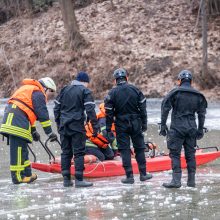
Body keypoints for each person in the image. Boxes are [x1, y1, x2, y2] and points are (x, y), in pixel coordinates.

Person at [0, 77, 58, 184]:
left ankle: (27, 174)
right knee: (17, 150)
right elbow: (43, 115)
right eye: (51, 91)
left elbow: (27, 111)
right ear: (45, 88)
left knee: (23, 149)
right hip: (16, 121)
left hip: (15, 119)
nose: (50, 95)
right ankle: (17, 177)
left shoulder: (30, 89)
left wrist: (33, 130)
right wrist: (49, 132)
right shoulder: (38, 92)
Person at [160, 70, 207, 188]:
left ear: (180, 81)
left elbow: (165, 108)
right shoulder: (198, 95)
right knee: (190, 155)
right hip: (191, 128)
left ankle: (176, 181)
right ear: (191, 81)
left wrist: (163, 125)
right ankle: (191, 182)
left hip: (177, 128)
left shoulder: (175, 92)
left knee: (175, 154)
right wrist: (200, 130)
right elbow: (201, 114)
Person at [104, 68, 153, 184]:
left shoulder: (112, 93)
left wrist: (108, 128)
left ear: (115, 80)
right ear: (126, 78)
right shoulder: (135, 89)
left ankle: (129, 176)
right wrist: (144, 123)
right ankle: (143, 174)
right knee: (139, 148)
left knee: (124, 150)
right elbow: (143, 108)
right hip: (136, 122)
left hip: (121, 124)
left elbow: (108, 112)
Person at [54, 71, 100, 188]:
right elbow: (90, 109)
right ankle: (79, 180)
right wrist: (95, 126)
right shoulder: (85, 91)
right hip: (77, 126)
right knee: (79, 152)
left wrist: (59, 123)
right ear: (85, 82)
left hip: (64, 125)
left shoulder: (64, 89)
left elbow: (56, 108)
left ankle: (66, 180)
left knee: (66, 152)